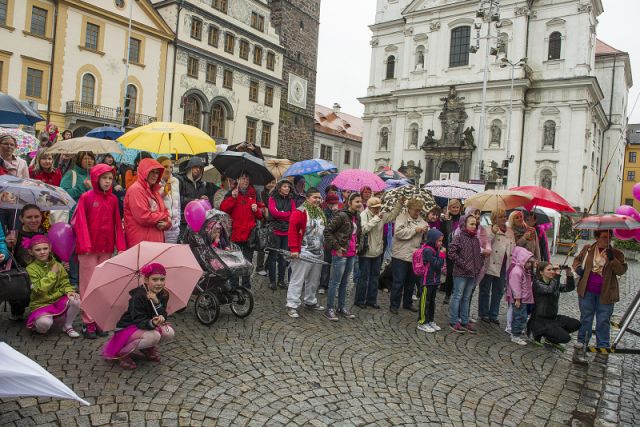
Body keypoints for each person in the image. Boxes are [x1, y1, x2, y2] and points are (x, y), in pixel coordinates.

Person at [72, 164, 126, 338]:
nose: (107, 182)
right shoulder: (86, 197)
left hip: (106, 248)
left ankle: (99, 319)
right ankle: (88, 322)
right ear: (96, 178)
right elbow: (80, 222)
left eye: (110, 178)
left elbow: (117, 222)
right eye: (104, 178)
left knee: (102, 286)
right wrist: (85, 244)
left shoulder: (112, 200)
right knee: (87, 286)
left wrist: (121, 245)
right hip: (88, 250)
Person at [102, 263, 175, 370]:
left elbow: (163, 314)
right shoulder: (138, 296)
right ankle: (123, 353)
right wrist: (153, 323)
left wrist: (157, 302)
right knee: (154, 336)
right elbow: (138, 321)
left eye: (162, 279)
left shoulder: (163, 294)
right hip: (129, 327)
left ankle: (147, 348)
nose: (159, 283)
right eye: (154, 280)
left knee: (169, 333)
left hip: (146, 326)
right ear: (146, 280)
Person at [573, 230, 627, 354]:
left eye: (609, 237)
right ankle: (582, 341)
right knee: (586, 317)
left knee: (603, 319)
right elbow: (577, 260)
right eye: (604, 237)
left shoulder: (617, 253)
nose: (607, 240)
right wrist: (578, 268)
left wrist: (612, 259)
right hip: (587, 291)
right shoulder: (588, 249)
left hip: (606, 293)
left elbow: (621, 271)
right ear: (597, 237)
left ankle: (603, 344)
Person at [24, 235, 81, 338]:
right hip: (41, 304)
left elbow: (65, 281)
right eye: (38, 250)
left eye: (45, 248)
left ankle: (67, 326)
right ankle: (42, 322)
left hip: (57, 300)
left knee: (76, 299)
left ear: (50, 249)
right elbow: (39, 289)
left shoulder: (57, 265)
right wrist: (52, 273)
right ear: (31, 252)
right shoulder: (30, 269)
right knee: (44, 325)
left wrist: (69, 291)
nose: (42, 252)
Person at [286, 188, 326, 318]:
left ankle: (310, 301)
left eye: (319, 198)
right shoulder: (300, 211)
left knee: (314, 280)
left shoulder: (320, 211)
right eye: (315, 197)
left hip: (318, 251)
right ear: (307, 198)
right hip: (303, 252)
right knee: (298, 279)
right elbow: (292, 230)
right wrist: (294, 249)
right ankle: (292, 304)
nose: (317, 200)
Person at [355, 196, 401, 309]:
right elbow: (364, 229)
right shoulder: (363, 215)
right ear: (369, 207)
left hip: (377, 251)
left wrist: (399, 204)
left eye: (378, 207)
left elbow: (392, 216)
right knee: (364, 277)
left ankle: (371, 300)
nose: (377, 210)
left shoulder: (381, 214)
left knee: (375, 277)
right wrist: (376, 219)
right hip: (366, 251)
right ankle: (359, 300)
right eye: (375, 208)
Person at [323, 192, 363, 321]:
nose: (360, 204)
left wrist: (358, 246)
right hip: (340, 253)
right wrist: (337, 247)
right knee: (335, 282)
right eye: (357, 201)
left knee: (345, 282)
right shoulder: (341, 215)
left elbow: (359, 234)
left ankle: (341, 307)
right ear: (349, 202)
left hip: (351, 253)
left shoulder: (357, 216)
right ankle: (329, 309)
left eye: (360, 201)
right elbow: (328, 231)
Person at [220, 172, 263, 289]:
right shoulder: (232, 193)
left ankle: (245, 286)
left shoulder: (254, 194)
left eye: (247, 179)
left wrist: (256, 210)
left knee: (247, 262)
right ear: (238, 180)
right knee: (234, 261)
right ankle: (234, 286)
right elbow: (223, 209)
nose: (245, 181)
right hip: (235, 234)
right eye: (243, 178)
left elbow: (261, 215)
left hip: (250, 235)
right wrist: (233, 198)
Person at [529, 262, 580, 349]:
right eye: (549, 270)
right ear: (541, 272)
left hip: (552, 318)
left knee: (576, 324)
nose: (552, 271)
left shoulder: (554, 283)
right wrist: (557, 276)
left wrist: (569, 274)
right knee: (565, 338)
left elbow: (569, 288)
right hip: (539, 320)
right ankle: (537, 333)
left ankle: (550, 338)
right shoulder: (537, 283)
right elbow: (549, 290)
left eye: (553, 269)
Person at [389, 199, 427, 314]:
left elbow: (424, 234)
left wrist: (425, 230)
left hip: (414, 256)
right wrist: (414, 230)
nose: (418, 213)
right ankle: (394, 305)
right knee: (399, 281)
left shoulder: (422, 221)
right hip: (400, 255)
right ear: (409, 209)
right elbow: (398, 233)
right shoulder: (401, 218)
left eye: (419, 211)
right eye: (416, 210)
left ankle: (407, 303)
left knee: (410, 282)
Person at [447, 215, 483, 333]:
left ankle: (464, 320)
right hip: (460, 273)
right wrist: (463, 264)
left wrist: (478, 266)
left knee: (467, 298)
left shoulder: (476, 239)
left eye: (475, 224)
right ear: (464, 224)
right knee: (457, 296)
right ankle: (453, 320)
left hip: (472, 273)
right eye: (471, 224)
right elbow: (451, 252)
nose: (474, 226)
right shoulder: (459, 237)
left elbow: (478, 255)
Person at [478, 208, 515, 325]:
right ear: (494, 218)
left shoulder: (510, 231)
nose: (504, 218)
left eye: (505, 216)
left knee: (498, 291)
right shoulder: (488, 229)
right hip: (490, 262)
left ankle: (493, 314)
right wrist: (493, 232)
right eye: (501, 216)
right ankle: (483, 313)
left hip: (504, 265)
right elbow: (484, 244)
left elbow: (513, 247)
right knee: (485, 289)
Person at [123, 158, 170, 248]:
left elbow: (165, 212)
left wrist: (167, 224)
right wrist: (163, 216)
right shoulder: (136, 190)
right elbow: (143, 217)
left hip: (155, 242)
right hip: (141, 242)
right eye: (152, 172)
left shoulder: (155, 191)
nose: (155, 175)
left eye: (157, 173)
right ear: (144, 171)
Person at [267, 179, 296, 290]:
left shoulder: (291, 200)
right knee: (273, 257)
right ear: (279, 188)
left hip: (286, 232)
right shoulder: (272, 198)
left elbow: (293, 214)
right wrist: (286, 214)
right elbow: (273, 212)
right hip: (275, 231)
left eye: (288, 187)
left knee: (283, 257)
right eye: (285, 186)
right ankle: (272, 281)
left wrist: (283, 214)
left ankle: (281, 280)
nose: (287, 188)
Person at [417, 229, 446, 333]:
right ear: (433, 240)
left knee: (432, 302)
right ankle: (422, 322)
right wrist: (442, 255)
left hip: (434, 281)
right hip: (427, 281)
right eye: (439, 241)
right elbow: (436, 265)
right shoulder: (428, 250)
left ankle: (430, 320)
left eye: (442, 241)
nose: (441, 243)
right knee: (425, 302)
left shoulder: (435, 249)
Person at [506, 246, 535, 345]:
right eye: (528, 262)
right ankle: (515, 335)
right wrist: (517, 299)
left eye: (531, 262)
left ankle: (517, 333)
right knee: (518, 317)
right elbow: (516, 287)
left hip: (524, 299)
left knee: (522, 316)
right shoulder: (517, 271)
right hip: (519, 299)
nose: (529, 264)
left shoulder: (525, 271)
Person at [439, 199, 462, 303]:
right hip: (449, 249)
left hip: (461, 250)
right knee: (450, 273)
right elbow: (443, 234)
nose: (456, 209)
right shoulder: (445, 220)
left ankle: (456, 293)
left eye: (457, 207)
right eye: (453, 207)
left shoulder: (462, 219)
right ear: (449, 208)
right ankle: (448, 294)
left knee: (459, 273)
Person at [319, 193, 341, 294]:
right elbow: (326, 227)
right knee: (326, 263)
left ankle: (335, 286)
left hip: (337, 242)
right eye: (331, 203)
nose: (333, 205)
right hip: (327, 242)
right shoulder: (323, 213)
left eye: (335, 203)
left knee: (337, 265)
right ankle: (323, 285)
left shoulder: (340, 213)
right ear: (327, 204)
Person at [156, 157, 181, 244]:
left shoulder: (175, 181)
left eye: (170, 167)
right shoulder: (155, 183)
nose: (168, 169)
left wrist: (178, 222)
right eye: (165, 166)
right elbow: (154, 204)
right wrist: (164, 192)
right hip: (162, 227)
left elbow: (178, 205)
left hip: (174, 228)